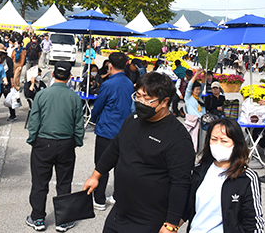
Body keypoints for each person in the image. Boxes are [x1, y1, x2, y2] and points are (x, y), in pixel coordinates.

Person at [83, 72, 195, 233]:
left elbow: (181, 183)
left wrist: (171, 224)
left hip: (150, 219)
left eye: (147, 99)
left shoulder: (178, 138)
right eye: (138, 96)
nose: (140, 102)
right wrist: (96, 175)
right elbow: (115, 148)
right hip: (119, 212)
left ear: (164, 102)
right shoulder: (133, 119)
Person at [26, 62, 84, 232]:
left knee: (39, 182)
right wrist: (77, 141)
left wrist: (32, 139)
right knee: (64, 182)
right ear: (69, 77)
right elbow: (78, 123)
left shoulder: (42, 95)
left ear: (52, 74)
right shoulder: (74, 97)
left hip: (43, 142)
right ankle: (62, 220)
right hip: (66, 143)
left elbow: (34, 120)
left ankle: (38, 218)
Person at [183, 118, 264, 232]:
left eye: (224, 141)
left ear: (236, 144)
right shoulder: (199, 170)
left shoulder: (246, 178)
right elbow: (187, 207)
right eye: (214, 139)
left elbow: (254, 221)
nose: (218, 145)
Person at [89, 52, 134, 211]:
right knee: (120, 166)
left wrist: (93, 118)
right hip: (124, 130)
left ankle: (99, 199)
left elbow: (98, 106)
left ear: (109, 66)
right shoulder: (129, 83)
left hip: (107, 129)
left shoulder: (108, 84)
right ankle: (116, 195)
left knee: (101, 164)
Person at [0, 44, 18, 122]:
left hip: (6, 82)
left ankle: (13, 114)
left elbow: (11, 71)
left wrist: (12, 82)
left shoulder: (8, 60)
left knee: (8, 99)